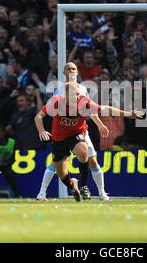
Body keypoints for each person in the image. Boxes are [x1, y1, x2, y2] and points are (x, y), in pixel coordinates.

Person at [34, 82, 143, 202]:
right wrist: (41, 131)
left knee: (83, 151)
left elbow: (105, 109)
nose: (74, 98)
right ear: (65, 95)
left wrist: (128, 114)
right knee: (62, 173)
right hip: (59, 139)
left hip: (76, 134)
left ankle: (83, 185)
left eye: (76, 95)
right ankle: (72, 185)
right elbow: (38, 117)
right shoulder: (56, 102)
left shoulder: (83, 102)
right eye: (71, 95)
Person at [36, 62, 110, 201]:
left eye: (74, 69)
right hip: (64, 131)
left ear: (77, 72)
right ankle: (42, 192)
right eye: (69, 69)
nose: (71, 71)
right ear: (64, 72)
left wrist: (99, 124)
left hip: (80, 130)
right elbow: (52, 111)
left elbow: (91, 109)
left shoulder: (82, 89)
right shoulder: (59, 90)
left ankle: (102, 193)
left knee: (92, 160)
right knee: (57, 163)